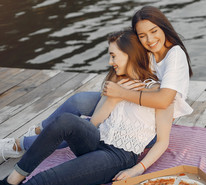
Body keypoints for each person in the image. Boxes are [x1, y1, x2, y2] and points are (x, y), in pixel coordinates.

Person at [0, 29, 179, 185]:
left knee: (44, 180)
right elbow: (93, 124)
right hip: (96, 141)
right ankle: (14, 178)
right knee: (65, 120)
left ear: (130, 55)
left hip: (118, 157)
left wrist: (137, 169)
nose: (110, 62)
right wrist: (113, 99)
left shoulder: (161, 94)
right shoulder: (116, 81)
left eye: (113, 56)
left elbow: (162, 141)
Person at [0, 5, 193, 162]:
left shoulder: (174, 56)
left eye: (154, 31)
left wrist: (120, 93)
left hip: (149, 125)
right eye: (142, 35)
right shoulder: (147, 51)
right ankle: (41, 130)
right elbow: (126, 67)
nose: (150, 40)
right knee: (79, 101)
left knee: (79, 126)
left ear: (163, 27)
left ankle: (20, 145)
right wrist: (118, 86)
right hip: (133, 104)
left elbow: (163, 100)